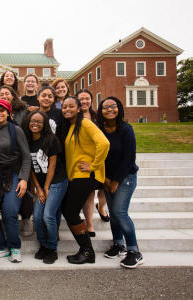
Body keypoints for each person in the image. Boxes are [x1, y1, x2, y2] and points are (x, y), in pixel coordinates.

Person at [61, 96, 110, 264]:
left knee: (70, 212)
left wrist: (94, 165)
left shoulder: (85, 123)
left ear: (78, 108)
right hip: (76, 177)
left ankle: (87, 251)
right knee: (69, 211)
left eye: (71, 106)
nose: (67, 109)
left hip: (85, 176)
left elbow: (103, 143)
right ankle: (86, 250)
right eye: (64, 107)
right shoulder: (73, 126)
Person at [0, 99, 31, 263]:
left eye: (1, 110)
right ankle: (1, 247)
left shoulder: (16, 130)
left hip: (15, 173)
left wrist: (24, 179)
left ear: (8, 113)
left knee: (10, 211)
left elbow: (26, 156)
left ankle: (15, 248)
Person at [97, 96, 143, 269]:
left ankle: (134, 251)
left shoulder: (126, 129)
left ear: (119, 108)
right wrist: (106, 180)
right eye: (105, 107)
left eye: (113, 106)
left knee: (119, 212)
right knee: (113, 212)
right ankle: (118, 244)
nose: (109, 109)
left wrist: (115, 181)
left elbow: (129, 158)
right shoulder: (100, 130)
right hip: (106, 178)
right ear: (100, 111)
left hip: (126, 178)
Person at [23, 111, 68, 264]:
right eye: (32, 121)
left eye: (39, 122)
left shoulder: (51, 139)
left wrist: (46, 187)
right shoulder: (27, 141)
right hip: (40, 184)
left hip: (57, 181)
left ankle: (52, 249)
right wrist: (38, 188)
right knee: (37, 218)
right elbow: (29, 168)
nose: (35, 124)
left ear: (45, 124)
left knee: (48, 216)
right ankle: (43, 245)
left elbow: (53, 165)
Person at [0, 85, 32, 236]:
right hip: (5, 157)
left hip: (22, 153)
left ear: (13, 95)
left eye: (7, 93)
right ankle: (9, 217)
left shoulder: (23, 111)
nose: (5, 95)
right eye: (1, 94)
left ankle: (26, 219)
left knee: (24, 188)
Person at [76, 89, 110, 238]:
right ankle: (89, 224)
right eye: (81, 99)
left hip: (102, 157)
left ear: (91, 100)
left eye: (87, 98)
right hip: (85, 159)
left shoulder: (99, 116)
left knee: (104, 189)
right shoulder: (74, 117)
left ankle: (101, 207)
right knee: (89, 193)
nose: (84, 101)